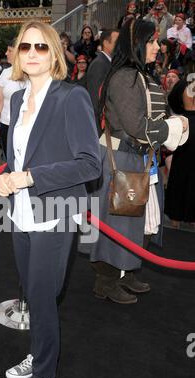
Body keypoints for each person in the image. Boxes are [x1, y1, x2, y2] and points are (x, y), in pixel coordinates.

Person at [0, 20, 101, 378]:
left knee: (41, 295)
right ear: (18, 54)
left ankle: (44, 373)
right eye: (26, 47)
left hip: (55, 213)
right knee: (32, 291)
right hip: (21, 212)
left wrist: (29, 177)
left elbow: (90, 165)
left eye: (41, 46)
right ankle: (40, 353)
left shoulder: (71, 97)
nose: (33, 53)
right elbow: (18, 158)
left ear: (54, 52)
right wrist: (8, 179)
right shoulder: (20, 99)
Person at [83, 18, 188, 305]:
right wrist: (175, 128)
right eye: (152, 41)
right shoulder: (125, 77)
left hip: (138, 159)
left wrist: (170, 125)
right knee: (117, 222)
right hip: (121, 158)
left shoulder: (140, 75)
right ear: (138, 43)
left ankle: (125, 272)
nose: (157, 46)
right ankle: (105, 281)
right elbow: (135, 125)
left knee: (136, 223)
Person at [0, 42, 26, 156]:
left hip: (23, 126)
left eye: (10, 50)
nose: (6, 53)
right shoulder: (5, 73)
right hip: (5, 125)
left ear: (18, 53)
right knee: (8, 159)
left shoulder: (30, 75)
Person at [165, 79, 195, 228]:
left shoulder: (185, 84)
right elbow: (172, 99)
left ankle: (181, 216)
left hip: (186, 123)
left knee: (183, 174)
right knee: (180, 174)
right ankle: (179, 217)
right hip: (184, 125)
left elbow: (172, 99)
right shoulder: (185, 84)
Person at [87, 29, 119, 134]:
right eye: (117, 42)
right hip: (101, 127)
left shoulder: (107, 63)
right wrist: (101, 131)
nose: (120, 45)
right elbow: (96, 101)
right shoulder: (99, 64)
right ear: (105, 43)